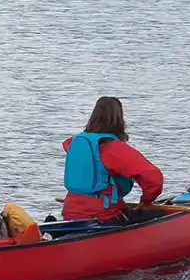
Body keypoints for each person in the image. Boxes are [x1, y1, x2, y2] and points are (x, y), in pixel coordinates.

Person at [62, 96, 164, 224]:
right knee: (158, 214)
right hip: (103, 215)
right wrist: (146, 201)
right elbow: (153, 177)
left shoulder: (73, 143)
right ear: (119, 119)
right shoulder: (112, 148)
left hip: (69, 213)